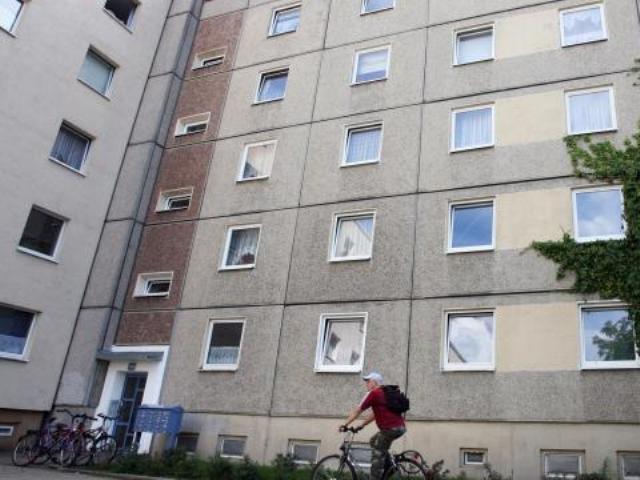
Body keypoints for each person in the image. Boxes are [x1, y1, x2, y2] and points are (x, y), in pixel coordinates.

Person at [340, 372, 406, 480]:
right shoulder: (386, 392)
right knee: (373, 441)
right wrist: (362, 425)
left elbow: (358, 411)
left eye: (368, 381)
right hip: (400, 427)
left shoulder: (373, 393)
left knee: (377, 455)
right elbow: (375, 414)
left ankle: (375, 477)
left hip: (389, 429)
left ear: (375, 382)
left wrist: (345, 424)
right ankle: (389, 467)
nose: (366, 384)